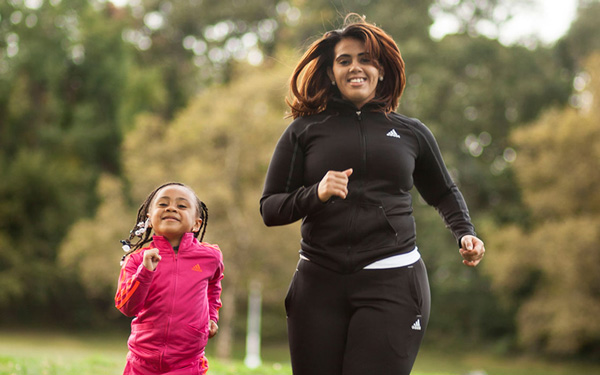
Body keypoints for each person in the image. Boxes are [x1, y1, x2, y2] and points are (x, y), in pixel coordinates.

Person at [260, 14, 485, 375]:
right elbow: (270, 208)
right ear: (331, 72)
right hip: (318, 283)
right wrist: (315, 193)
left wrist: (466, 232)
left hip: (393, 278)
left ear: (382, 69)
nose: (355, 68)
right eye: (344, 60)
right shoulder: (304, 131)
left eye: (365, 59)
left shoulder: (412, 133)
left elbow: (443, 191)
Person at [115, 182, 224, 375]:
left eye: (182, 206)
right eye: (163, 204)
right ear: (149, 219)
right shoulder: (136, 260)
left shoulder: (210, 256)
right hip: (142, 362)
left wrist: (212, 316)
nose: (171, 208)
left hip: (188, 363)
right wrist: (145, 271)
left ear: (197, 223)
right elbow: (126, 306)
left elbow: (213, 286)